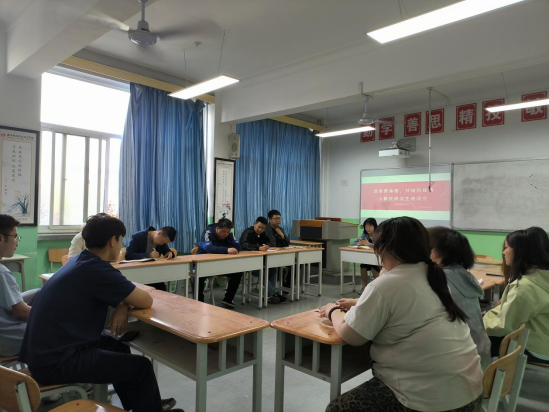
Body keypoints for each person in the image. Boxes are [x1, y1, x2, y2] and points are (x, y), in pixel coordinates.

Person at [18, 213, 183, 412]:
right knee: (142, 367)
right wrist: (124, 301)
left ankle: (141, 405)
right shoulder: (97, 269)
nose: (121, 246)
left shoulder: (80, 260)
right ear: (113, 241)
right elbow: (145, 300)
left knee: (118, 347)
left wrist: (122, 304)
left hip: (43, 353)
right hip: (58, 361)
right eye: (121, 240)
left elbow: (123, 294)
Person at [320, 217, 483, 412]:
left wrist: (332, 311)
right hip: (471, 394)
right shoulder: (434, 275)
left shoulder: (386, 284)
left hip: (431, 402)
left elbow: (351, 335)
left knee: (336, 409)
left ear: (384, 249)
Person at [484, 228, 549, 364]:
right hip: (544, 338)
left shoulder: (525, 287)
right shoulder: (541, 276)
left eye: (506, 247)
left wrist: (481, 320)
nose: (503, 252)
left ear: (519, 252)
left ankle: (484, 375)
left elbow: (503, 326)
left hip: (538, 349)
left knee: (481, 338)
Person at [429, 227, 491, 368]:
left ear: (441, 252)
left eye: (430, 247)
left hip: (462, 359)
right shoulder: (462, 273)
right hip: (480, 351)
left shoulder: (439, 278)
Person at [0, 214, 40, 357]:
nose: (17, 242)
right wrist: (49, 315)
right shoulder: (2, 273)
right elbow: (21, 312)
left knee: (39, 292)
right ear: (0, 238)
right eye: (15, 237)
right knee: (57, 329)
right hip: (9, 339)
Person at [197, 218, 242, 309]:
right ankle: (199, 301)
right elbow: (209, 248)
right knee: (198, 276)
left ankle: (228, 299)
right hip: (204, 264)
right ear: (217, 229)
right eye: (224, 232)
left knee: (238, 272)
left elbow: (237, 246)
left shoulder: (229, 234)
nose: (226, 234)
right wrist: (227, 249)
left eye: (228, 232)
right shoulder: (207, 233)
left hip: (221, 264)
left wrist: (232, 248)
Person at [239, 217, 286, 304]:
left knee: (273, 269)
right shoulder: (248, 232)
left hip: (260, 260)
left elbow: (270, 242)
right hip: (247, 262)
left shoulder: (262, 233)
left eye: (263, 228)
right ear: (254, 224)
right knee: (262, 272)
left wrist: (267, 246)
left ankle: (270, 294)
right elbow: (244, 245)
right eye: (259, 227)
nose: (260, 229)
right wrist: (258, 248)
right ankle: (273, 293)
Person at [125, 226, 177, 291]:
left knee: (162, 289)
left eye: (164, 243)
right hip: (138, 275)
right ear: (159, 233)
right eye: (162, 241)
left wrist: (169, 253)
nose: (162, 244)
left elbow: (166, 250)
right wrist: (148, 255)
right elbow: (128, 255)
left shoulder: (160, 241)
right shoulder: (138, 237)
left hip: (154, 275)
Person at [351, 218, 380, 293]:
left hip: (377, 258)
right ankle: (364, 287)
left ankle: (377, 288)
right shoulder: (364, 234)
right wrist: (358, 243)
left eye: (370, 226)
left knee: (373, 265)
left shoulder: (379, 234)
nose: (368, 229)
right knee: (363, 266)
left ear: (374, 226)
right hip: (367, 258)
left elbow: (381, 246)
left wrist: (369, 244)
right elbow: (353, 243)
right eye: (366, 227)